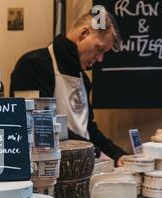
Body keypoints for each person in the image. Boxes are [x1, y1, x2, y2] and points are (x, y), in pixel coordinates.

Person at [10, 9, 127, 166]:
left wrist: (118, 155)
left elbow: (89, 130)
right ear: (84, 33)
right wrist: (96, 152)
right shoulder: (33, 65)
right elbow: (42, 126)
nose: (100, 59)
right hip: (47, 169)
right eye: (99, 49)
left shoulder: (82, 78)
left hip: (82, 166)